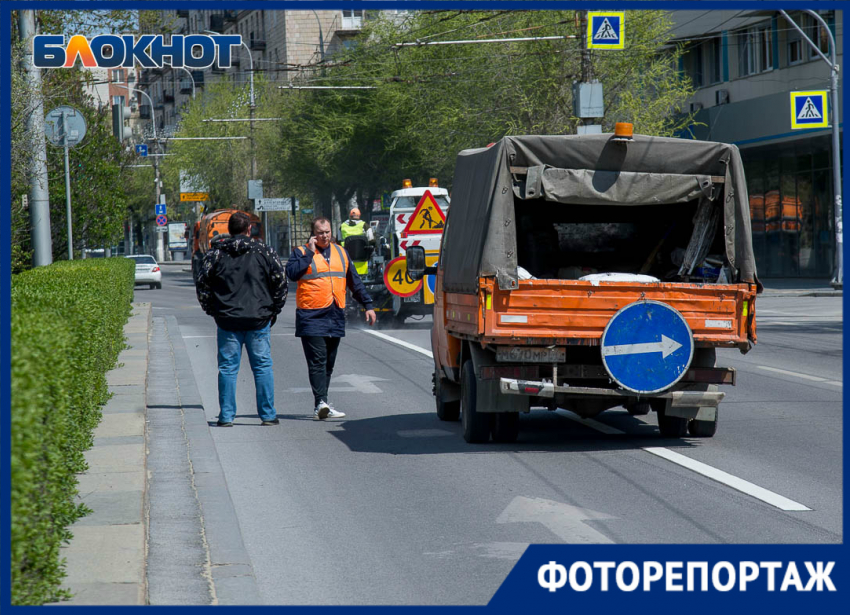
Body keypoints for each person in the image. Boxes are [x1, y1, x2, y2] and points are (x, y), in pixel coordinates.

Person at [196, 211, 288, 427]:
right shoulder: (265, 251)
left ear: (229, 229)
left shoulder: (215, 254)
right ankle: (267, 415)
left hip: (228, 320)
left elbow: (202, 286)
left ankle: (226, 416)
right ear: (249, 229)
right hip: (258, 318)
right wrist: (273, 310)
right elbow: (280, 283)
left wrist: (213, 311)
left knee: (228, 368)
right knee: (262, 366)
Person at [286, 217, 377, 420]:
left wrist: (368, 305)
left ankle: (322, 402)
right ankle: (320, 402)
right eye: (320, 232)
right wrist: (309, 253)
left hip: (335, 313)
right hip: (311, 315)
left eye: (327, 232)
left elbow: (354, 281)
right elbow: (291, 274)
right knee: (317, 361)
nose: (324, 236)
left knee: (328, 363)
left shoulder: (341, 252)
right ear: (313, 234)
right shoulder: (301, 253)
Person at [339, 207, 375, 276]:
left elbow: (338, 241)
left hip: (346, 259)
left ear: (350, 216)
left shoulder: (342, 226)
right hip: (363, 259)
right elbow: (371, 239)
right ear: (359, 215)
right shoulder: (365, 225)